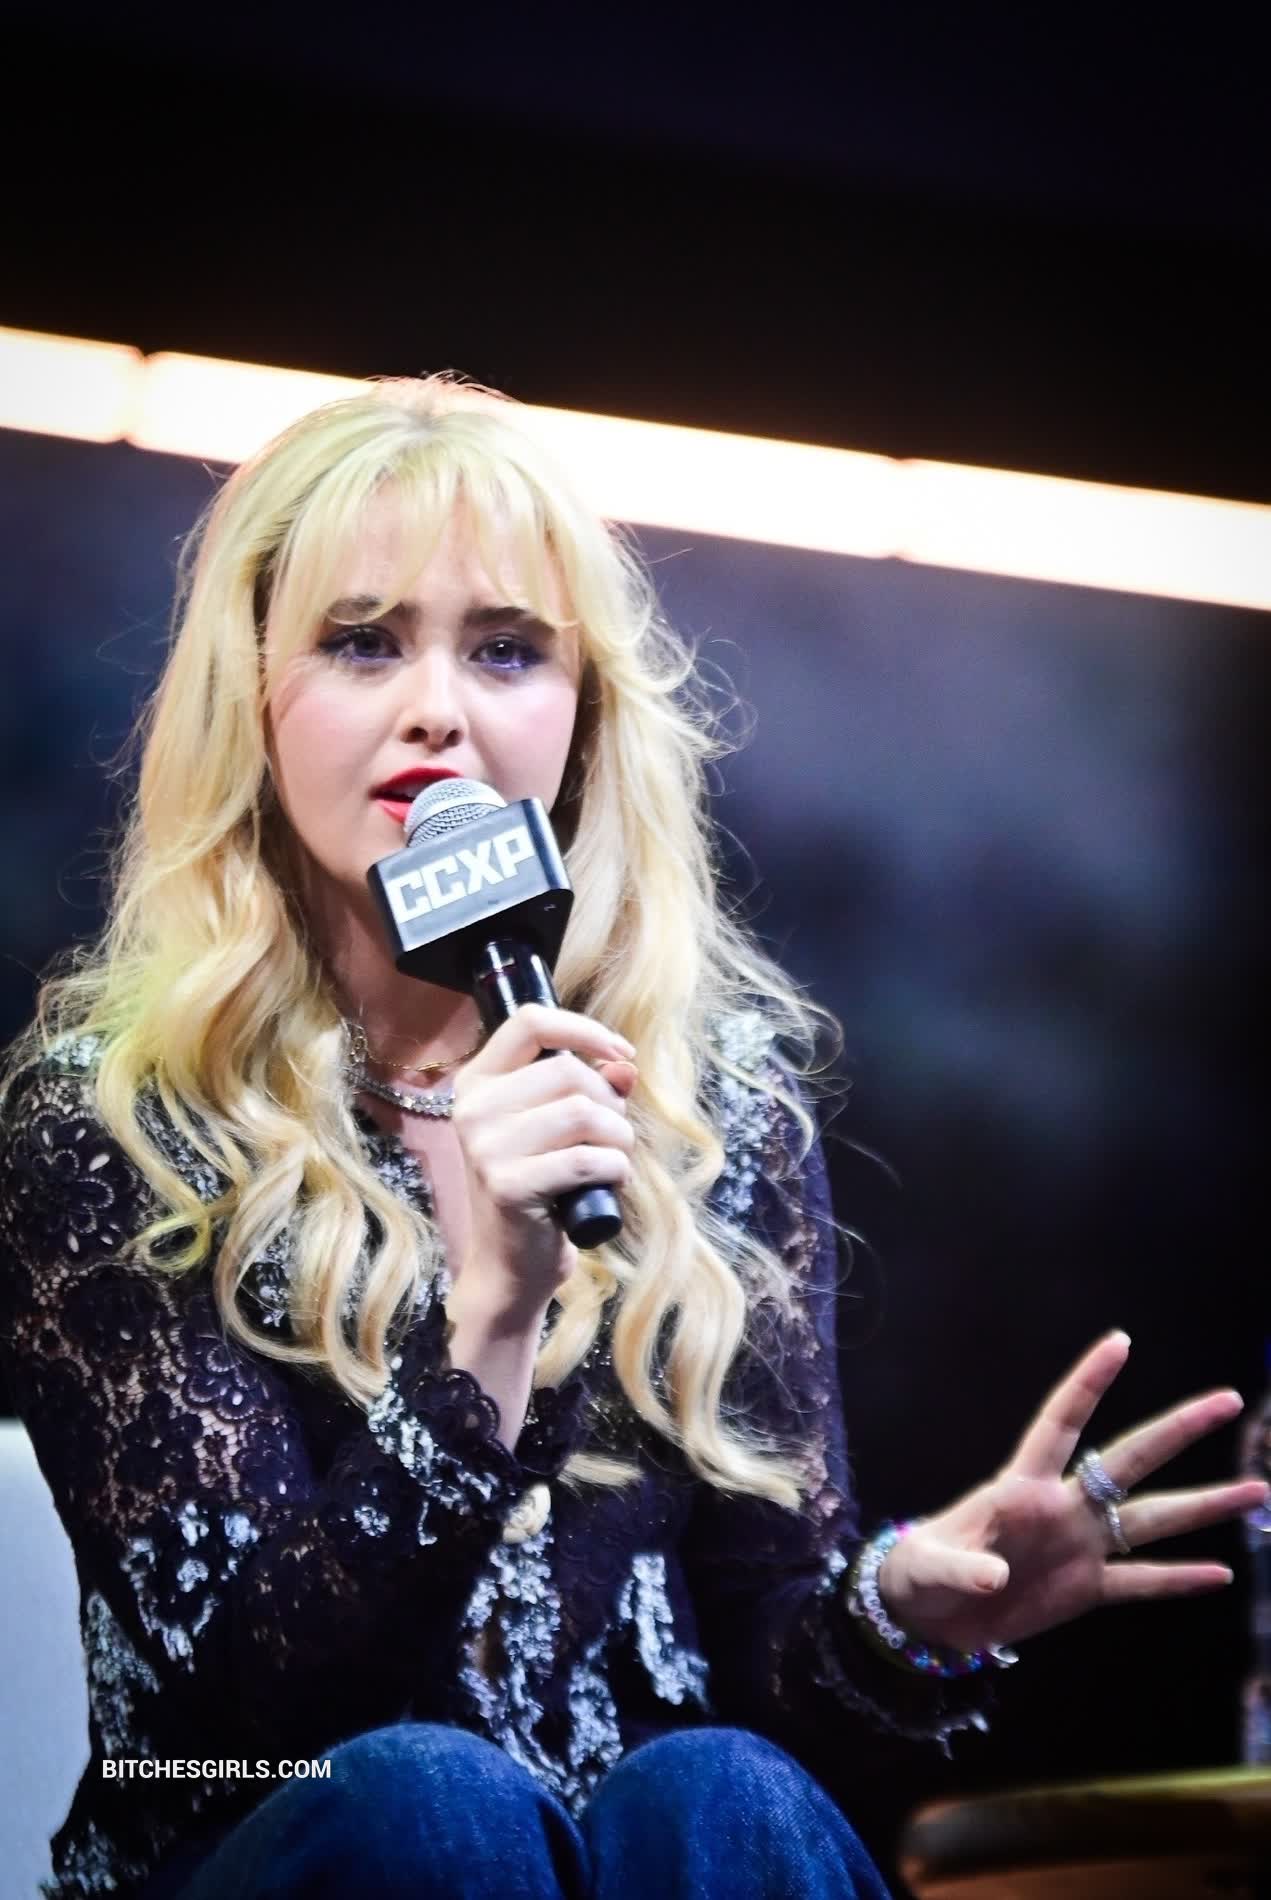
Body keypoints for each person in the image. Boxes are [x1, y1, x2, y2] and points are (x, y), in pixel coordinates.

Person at [0, 375, 1262, 1900]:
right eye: (363, 641)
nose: (437, 710)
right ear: (252, 704)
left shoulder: (710, 1104)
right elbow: (237, 1719)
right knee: (430, 1805)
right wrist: (489, 1327)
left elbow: (769, 1682)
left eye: (505, 651)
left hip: (638, 1863)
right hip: (270, 1841)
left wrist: (909, 1618)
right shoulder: (116, 1119)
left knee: (715, 1789)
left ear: (584, 715)